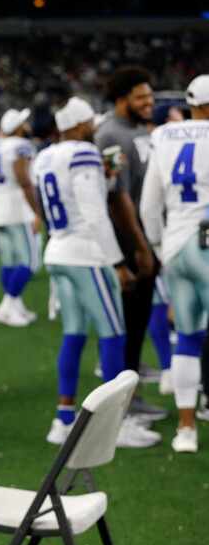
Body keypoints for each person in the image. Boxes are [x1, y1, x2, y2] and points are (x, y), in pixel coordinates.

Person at [34, 97, 160, 449]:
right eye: (89, 122)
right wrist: (118, 261)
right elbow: (93, 214)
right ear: (78, 125)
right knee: (114, 336)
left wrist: (106, 180)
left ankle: (63, 419)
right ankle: (113, 426)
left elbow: (64, 200)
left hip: (57, 250)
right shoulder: (84, 153)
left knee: (74, 335)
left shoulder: (45, 155)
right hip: (85, 254)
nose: (94, 127)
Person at [140, 74, 209, 453]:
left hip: (176, 243)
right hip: (206, 240)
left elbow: (149, 205)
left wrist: (158, 244)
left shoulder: (165, 136)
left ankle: (185, 430)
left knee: (186, 336)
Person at [95, 65, 167, 423]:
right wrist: (140, 248)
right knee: (127, 324)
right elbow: (117, 199)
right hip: (128, 242)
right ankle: (123, 405)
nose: (148, 101)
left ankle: (129, 391)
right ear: (122, 99)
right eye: (141, 96)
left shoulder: (137, 130)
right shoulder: (110, 134)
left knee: (136, 324)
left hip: (143, 237)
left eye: (150, 96)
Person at [0, 109, 42, 327]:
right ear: (18, 126)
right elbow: (24, 180)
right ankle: (7, 305)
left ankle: (14, 305)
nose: (27, 125)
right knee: (30, 261)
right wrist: (37, 210)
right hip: (17, 207)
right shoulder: (21, 145)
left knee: (8, 261)